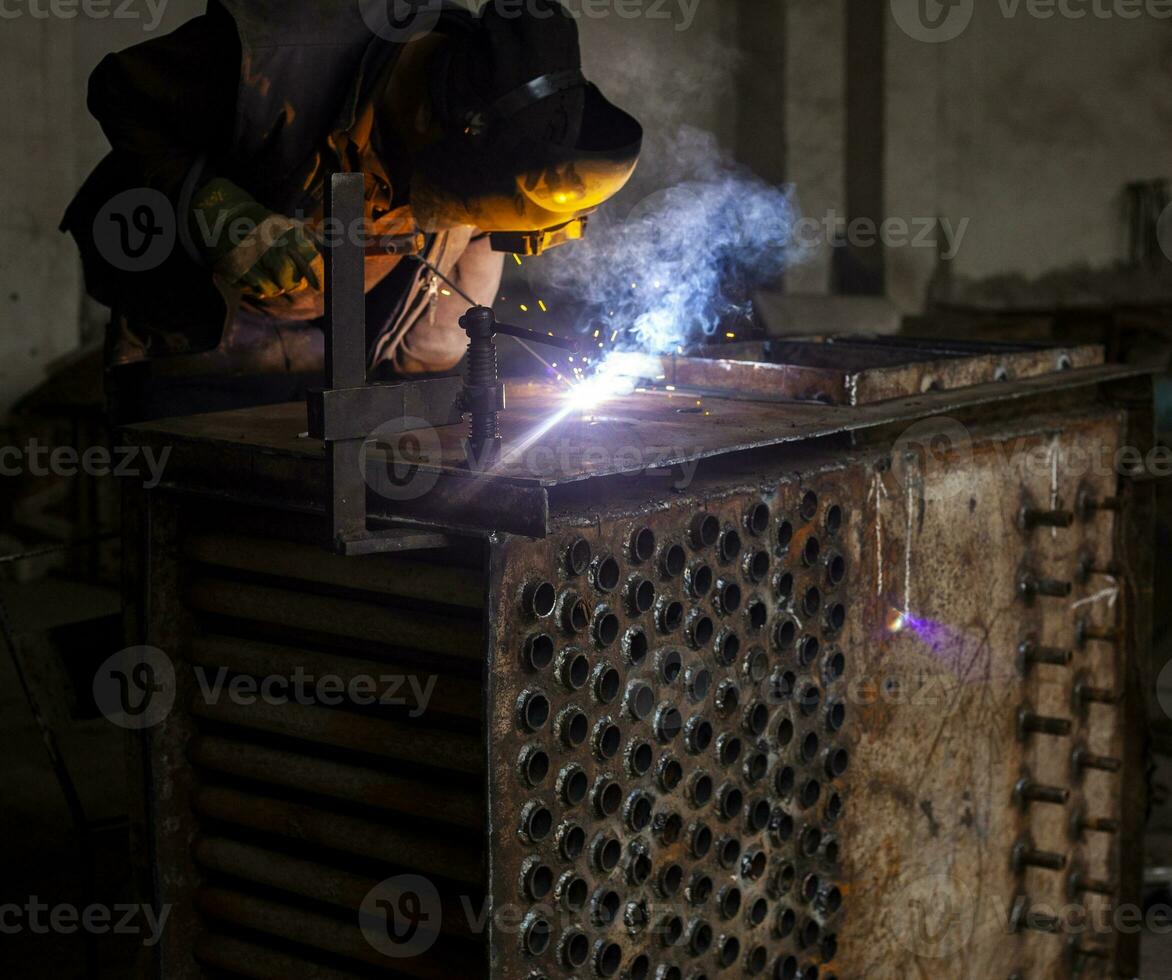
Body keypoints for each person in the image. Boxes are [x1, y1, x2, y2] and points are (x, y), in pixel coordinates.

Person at [62, 0, 642, 422]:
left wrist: (440, 353)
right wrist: (206, 200)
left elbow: (474, 233)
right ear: (437, 125)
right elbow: (118, 90)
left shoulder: (510, 114)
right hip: (205, 330)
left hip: (340, 343)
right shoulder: (279, 53)